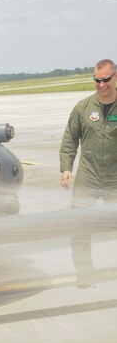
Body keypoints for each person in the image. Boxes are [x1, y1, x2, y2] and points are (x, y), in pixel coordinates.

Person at [59, 58, 117, 287]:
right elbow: (70, 139)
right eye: (97, 80)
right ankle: (84, 270)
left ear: (115, 77)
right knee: (79, 224)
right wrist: (66, 168)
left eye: (106, 80)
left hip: (115, 176)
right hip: (88, 174)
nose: (101, 85)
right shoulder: (83, 108)